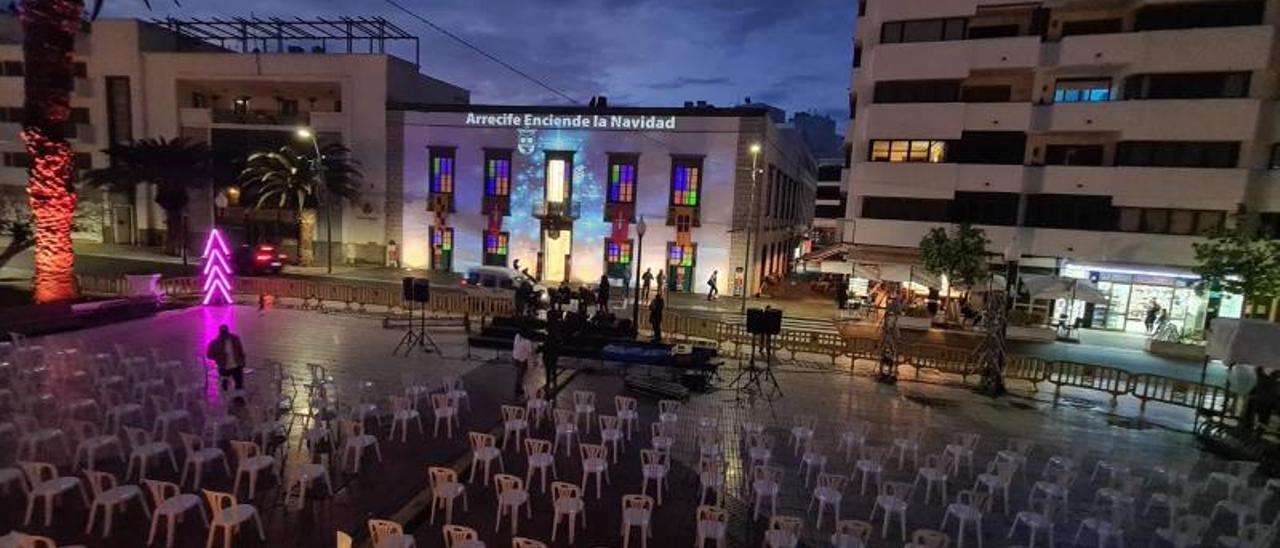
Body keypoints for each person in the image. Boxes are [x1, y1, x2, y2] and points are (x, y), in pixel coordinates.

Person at [206, 325, 246, 392]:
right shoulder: (216, 343)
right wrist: (218, 356)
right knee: (235, 382)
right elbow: (209, 355)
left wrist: (242, 362)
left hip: (233, 366)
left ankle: (235, 395)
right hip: (227, 367)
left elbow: (241, 351)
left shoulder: (234, 339)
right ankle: (234, 394)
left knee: (237, 382)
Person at [511, 326, 534, 399]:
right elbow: (530, 351)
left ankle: (518, 387)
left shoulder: (517, 336)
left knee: (518, 373)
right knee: (520, 374)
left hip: (515, 357)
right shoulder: (527, 341)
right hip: (522, 359)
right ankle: (518, 388)